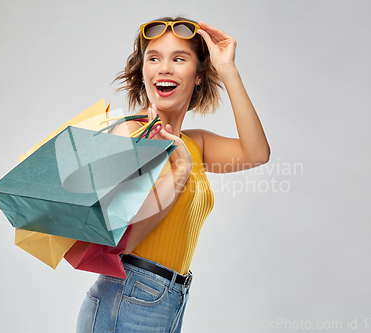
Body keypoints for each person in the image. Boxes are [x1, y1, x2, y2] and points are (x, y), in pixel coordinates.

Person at [76, 16, 270, 333]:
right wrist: (178, 174)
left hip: (170, 299)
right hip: (128, 297)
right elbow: (120, 244)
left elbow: (257, 152)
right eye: (154, 58)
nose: (164, 68)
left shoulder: (196, 144)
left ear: (197, 76)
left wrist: (228, 70)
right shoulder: (131, 134)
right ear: (143, 71)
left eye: (179, 58)